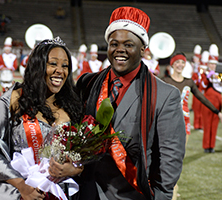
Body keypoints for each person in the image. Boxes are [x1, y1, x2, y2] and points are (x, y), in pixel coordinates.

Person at [74, 6, 186, 200]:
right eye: (114, 43)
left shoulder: (165, 95)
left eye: (128, 45)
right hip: (85, 190)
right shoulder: (87, 83)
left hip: (132, 194)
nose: (119, 50)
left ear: (143, 49)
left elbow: (170, 157)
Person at [0, 37, 84, 200]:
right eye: (53, 64)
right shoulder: (14, 99)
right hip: (17, 192)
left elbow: (82, 155)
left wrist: (76, 169)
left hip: (58, 193)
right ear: (38, 66)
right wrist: (22, 186)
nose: (60, 71)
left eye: (65, 66)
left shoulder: (73, 106)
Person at [163, 53, 222, 145]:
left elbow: (202, 98)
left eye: (183, 62)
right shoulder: (165, 81)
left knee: (182, 153)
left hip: (184, 119)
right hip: (169, 119)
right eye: (177, 62)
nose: (180, 65)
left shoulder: (189, 82)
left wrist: (217, 112)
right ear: (172, 64)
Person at [200, 44, 222, 153]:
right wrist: (208, 77)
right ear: (208, 64)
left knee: (214, 125)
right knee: (207, 124)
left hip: (218, 103)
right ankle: (206, 146)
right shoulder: (205, 74)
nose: (213, 66)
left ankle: (211, 146)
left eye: (215, 64)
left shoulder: (219, 75)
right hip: (208, 102)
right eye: (211, 64)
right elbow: (202, 86)